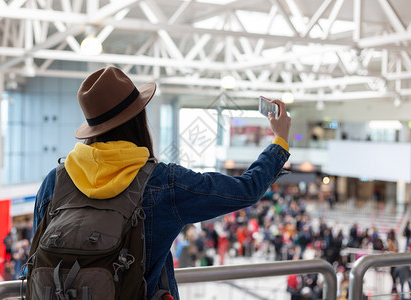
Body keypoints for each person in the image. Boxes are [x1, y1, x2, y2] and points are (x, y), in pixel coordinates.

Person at [33, 66, 291, 299]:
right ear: (138, 119)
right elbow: (245, 190)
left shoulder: (55, 181)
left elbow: (37, 256)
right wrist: (279, 141)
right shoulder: (163, 182)